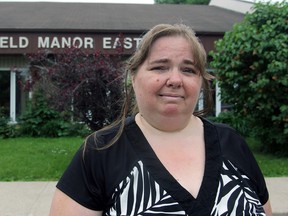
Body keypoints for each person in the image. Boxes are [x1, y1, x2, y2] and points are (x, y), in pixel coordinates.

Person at [49, 23, 272, 216]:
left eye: (188, 70)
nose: (175, 80)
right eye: (160, 67)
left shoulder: (231, 143)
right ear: (134, 77)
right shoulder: (101, 152)